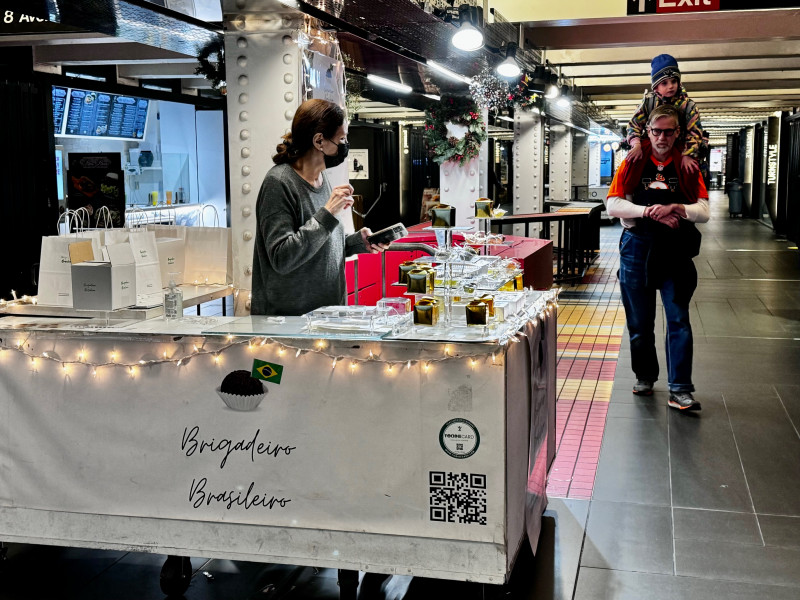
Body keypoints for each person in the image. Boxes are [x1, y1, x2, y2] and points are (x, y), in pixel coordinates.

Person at [606, 105, 710, 412]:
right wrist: (647, 211)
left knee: (678, 318)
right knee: (639, 322)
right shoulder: (634, 161)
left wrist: (677, 209)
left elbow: (703, 211)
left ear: (678, 133)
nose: (662, 137)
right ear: (647, 132)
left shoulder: (688, 166)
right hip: (637, 249)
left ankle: (680, 388)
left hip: (675, 251)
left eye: (669, 131)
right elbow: (613, 204)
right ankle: (646, 376)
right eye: (656, 131)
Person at [251, 99, 387, 316]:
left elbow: (319, 245)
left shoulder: (322, 180)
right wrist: (328, 213)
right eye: (341, 138)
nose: (346, 145)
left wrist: (356, 243)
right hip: (291, 324)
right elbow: (282, 257)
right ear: (319, 141)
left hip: (328, 315)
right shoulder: (278, 183)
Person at [626, 54, 703, 176]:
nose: (670, 86)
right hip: (653, 149)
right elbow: (634, 125)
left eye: (674, 81)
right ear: (656, 86)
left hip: (679, 150)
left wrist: (688, 154)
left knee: (690, 176)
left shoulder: (688, 106)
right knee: (631, 171)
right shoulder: (648, 102)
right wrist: (636, 144)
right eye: (664, 83)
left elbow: (695, 132)